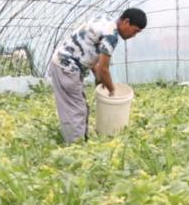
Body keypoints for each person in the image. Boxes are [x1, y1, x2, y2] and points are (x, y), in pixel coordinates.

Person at [48, 8, 147, 143]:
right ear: (126, 22)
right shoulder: (111, 35)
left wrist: (99, 81)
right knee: (76, 110)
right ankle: (75, 149)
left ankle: (80, 141)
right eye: (135, 31)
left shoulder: (105, 21)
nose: (134, 35)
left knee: (79, 108)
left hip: (64, 65)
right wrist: (112, 90)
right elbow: (103, 69)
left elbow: (91, 54)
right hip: (66, 67)